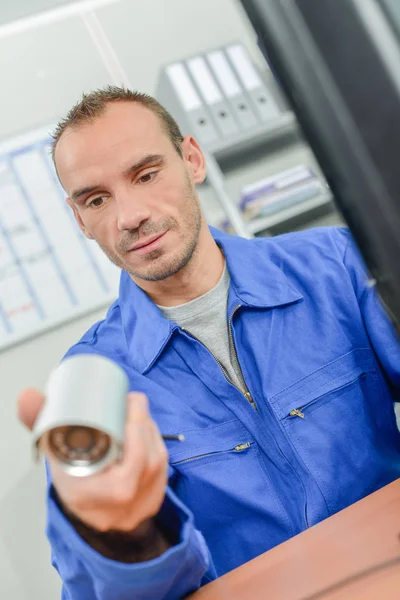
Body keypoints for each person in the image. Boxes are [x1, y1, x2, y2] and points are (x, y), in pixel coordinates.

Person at [18, 86, 400, 600]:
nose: (129, 215)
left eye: (146, 174)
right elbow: (96, 592)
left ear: (191, 160)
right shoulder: (93, 383)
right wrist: (125, 541)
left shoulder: (332, 266)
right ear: (79, 219)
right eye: (96, 199)